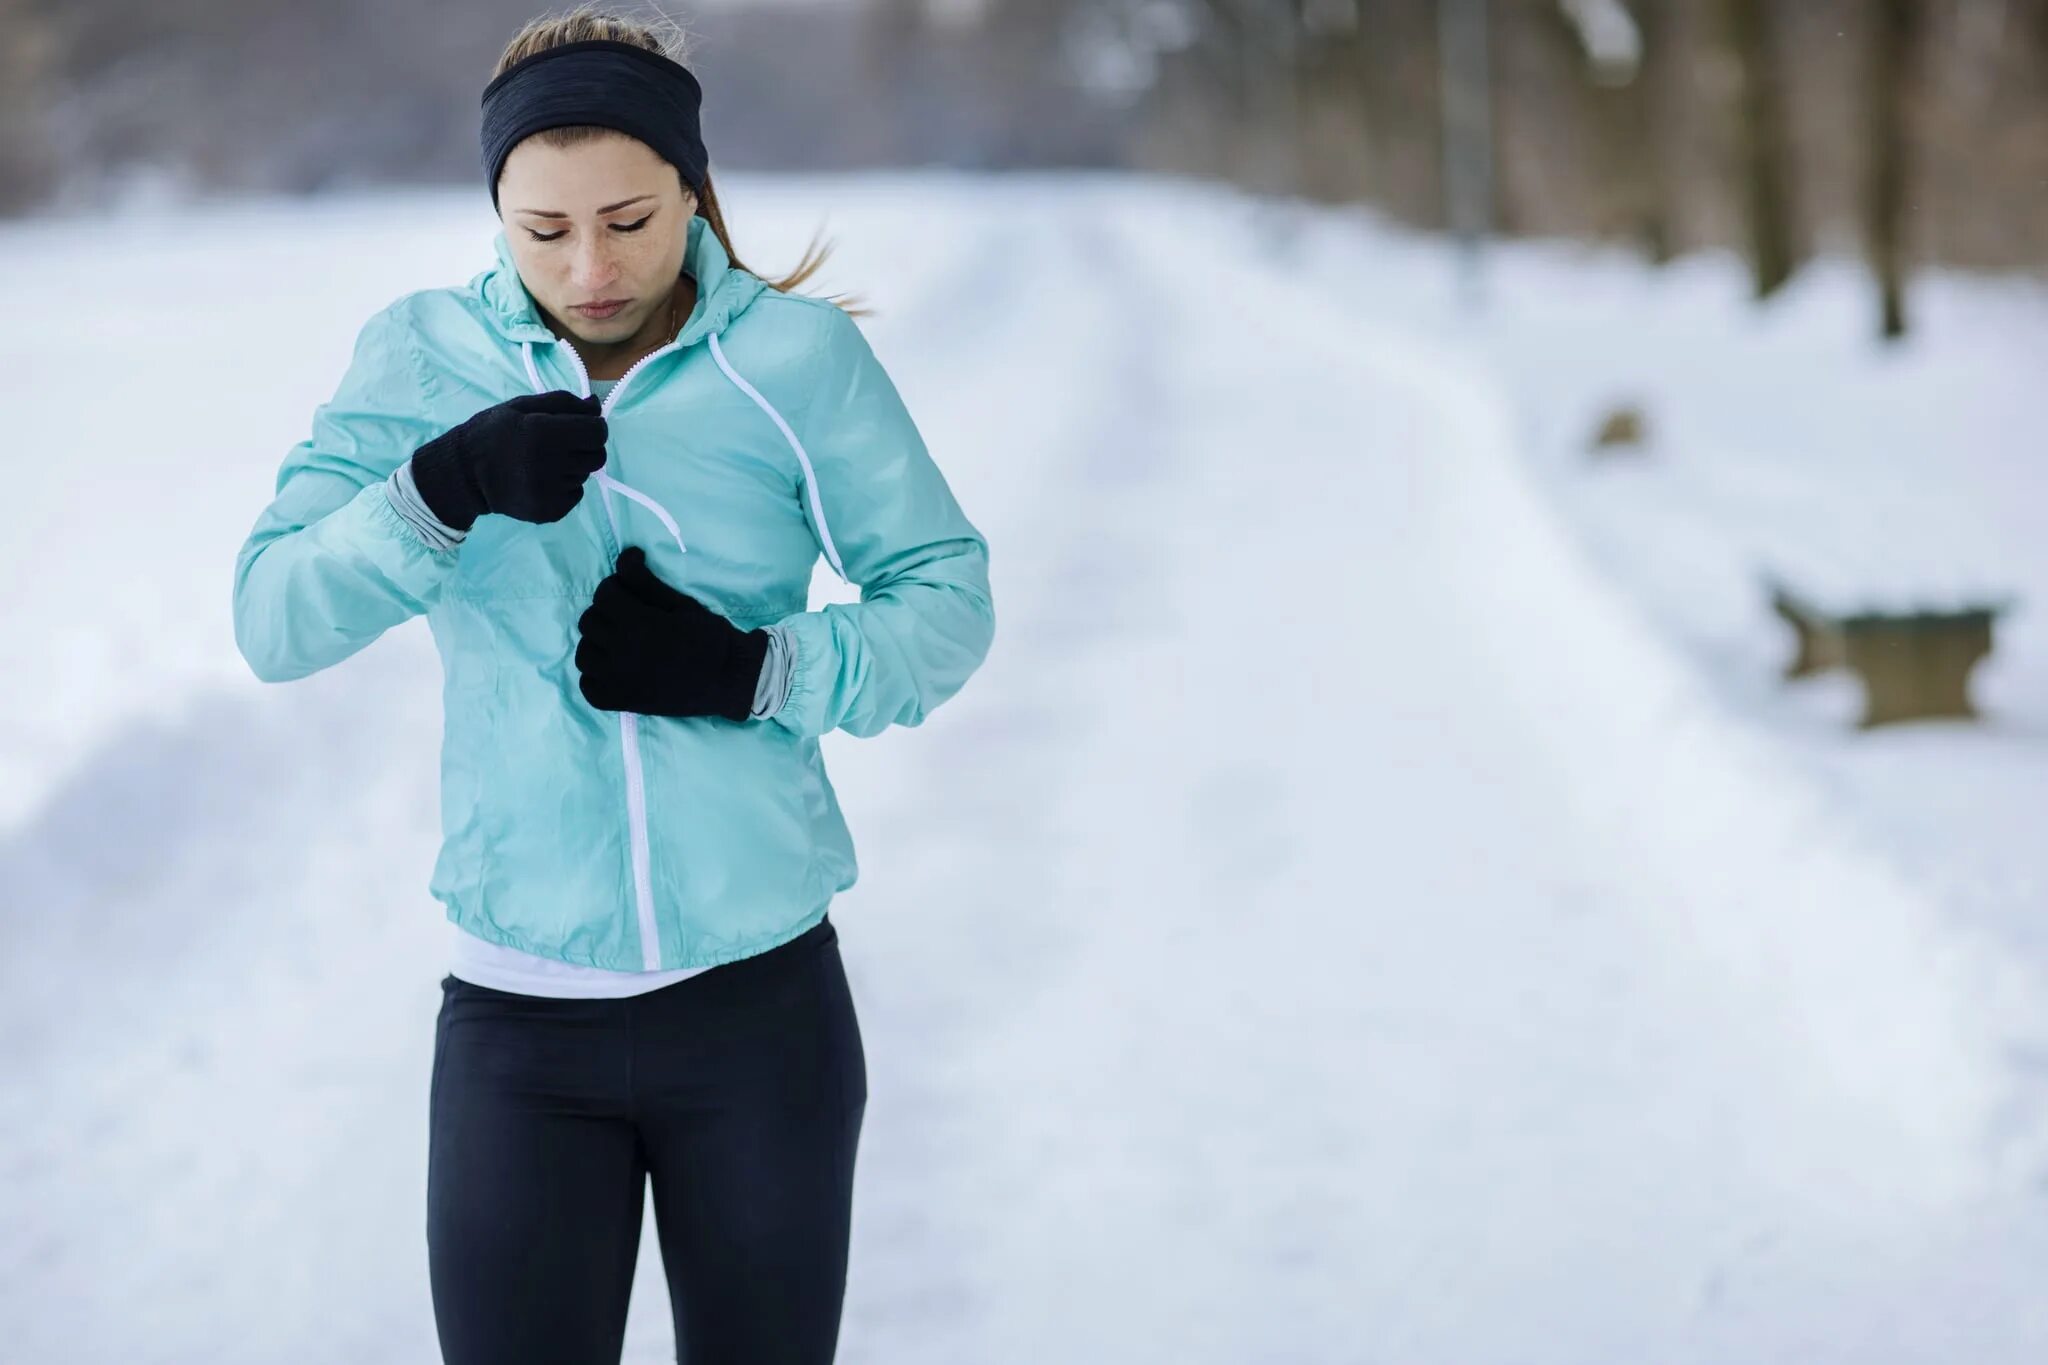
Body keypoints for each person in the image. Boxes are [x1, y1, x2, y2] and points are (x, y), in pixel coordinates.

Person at [229, 8, 995, 1362]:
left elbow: (947, 599)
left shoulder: (794, 365)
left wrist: (755, 669)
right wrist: (437, 488)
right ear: (498, 214)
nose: (588, 269)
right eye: (545, 232)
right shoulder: (420, 362)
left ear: (693, 192)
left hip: (759, 1018)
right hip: (519, 1034)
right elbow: (273, 616)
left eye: (631, 221)